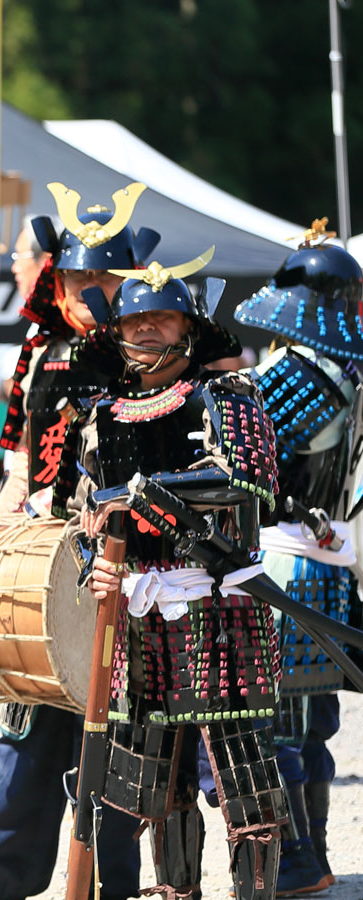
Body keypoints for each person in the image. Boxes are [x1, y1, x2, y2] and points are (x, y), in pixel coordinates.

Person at [0, 185, 158, 900]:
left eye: (103, 278)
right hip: (42, 558)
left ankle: (111, 885)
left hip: (126, 564)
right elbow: (21, 462)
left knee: (115, 735)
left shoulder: (149, 352)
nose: (88, 290)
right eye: (77, 276)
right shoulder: (39, 351)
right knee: (25, 724)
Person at [67, 250, 287, 900]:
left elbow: (247, 479)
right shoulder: (101, 416)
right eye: (134, 320)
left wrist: (139, 491)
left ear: (188, 328)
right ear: (116, 331)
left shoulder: (226, 395)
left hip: (219, 608)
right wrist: (93, 567)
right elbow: (83, 516)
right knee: (160, 789)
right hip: (140, 621)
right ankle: (175, 894)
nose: (146, 328)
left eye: (161, 317)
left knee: (246, 781)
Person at [233, 221, 363, 894]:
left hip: (287, 563)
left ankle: (297, 862)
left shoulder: (300, 375)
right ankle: (313, 857)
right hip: (323, 561)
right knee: (309, 725)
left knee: (280, 723)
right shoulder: (349, 372)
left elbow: (249, 460)